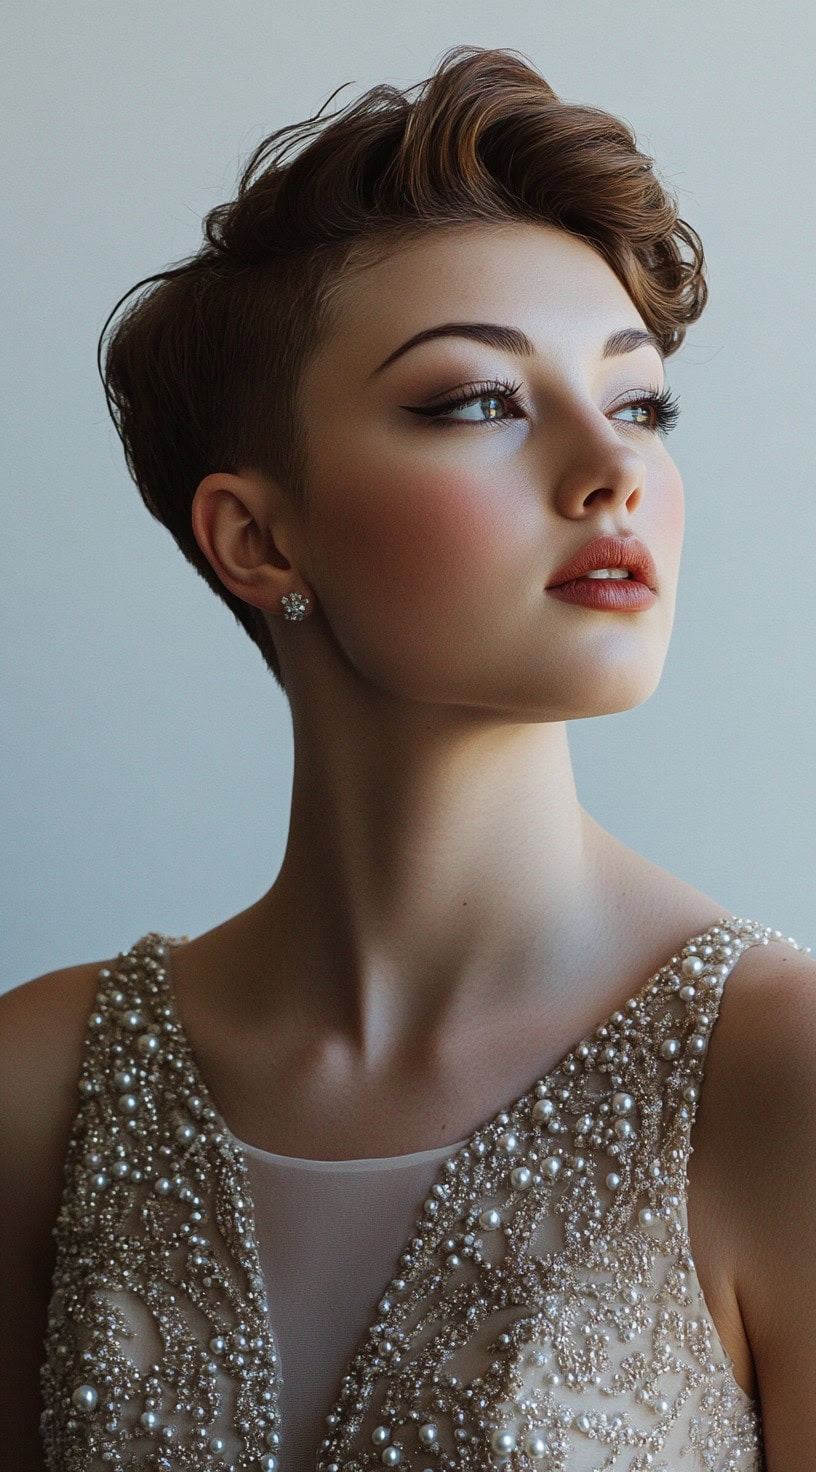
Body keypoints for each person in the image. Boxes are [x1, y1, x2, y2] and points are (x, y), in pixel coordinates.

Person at [1, 42, 813, 1472]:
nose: (611, 468)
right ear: (257, 538)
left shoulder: (776, 1076)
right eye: (476, 402)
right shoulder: (39, 1088)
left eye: (639, 404)